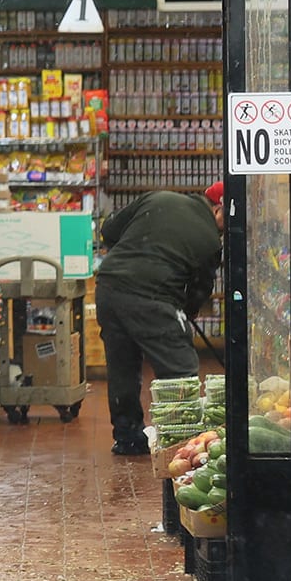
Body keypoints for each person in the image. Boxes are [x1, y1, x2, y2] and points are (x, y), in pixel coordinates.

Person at [91, 181, 224, 456]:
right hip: (153, 297)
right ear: (218, 209)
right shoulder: (211, 240)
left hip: (109, 287)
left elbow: (109, 230)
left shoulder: (157, 198)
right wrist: (185, 312)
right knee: (180, 367)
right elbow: (200, 289)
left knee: (122, 366)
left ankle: (127, 438)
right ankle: (180, 443)